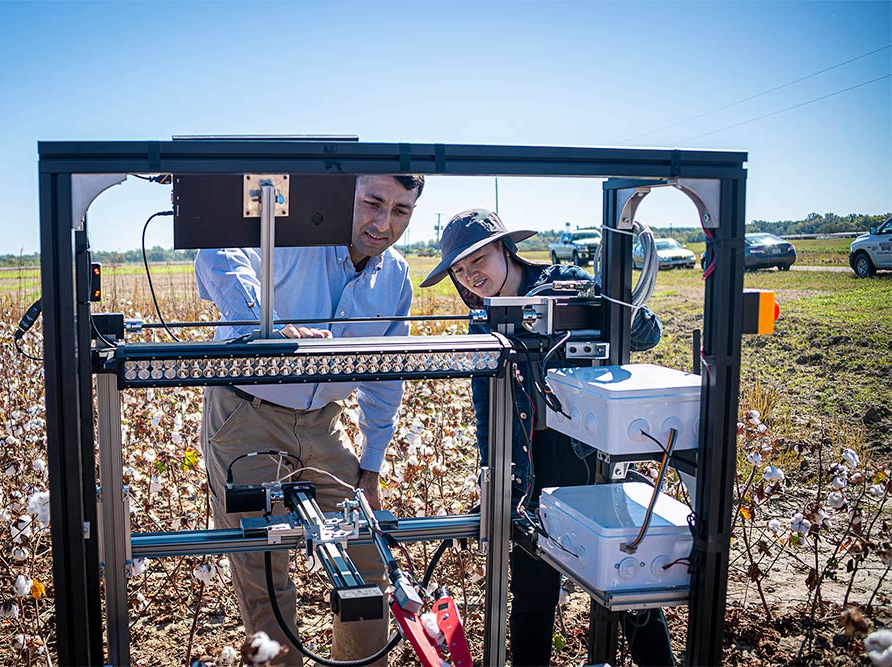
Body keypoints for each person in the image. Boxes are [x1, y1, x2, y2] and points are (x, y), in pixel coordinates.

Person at [420, 209, 675, 667]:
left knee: (626, 581)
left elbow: (647, 334)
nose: (470, 275)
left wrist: (612, 305)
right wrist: (494, 479)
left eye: (477, 259)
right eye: (458, 269)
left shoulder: (566, 285)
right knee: (532, 592)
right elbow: (487, 410)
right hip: (527, 460)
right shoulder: (483, 321)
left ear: (506, 249)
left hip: (591, 456)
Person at [195, 174, 425, 667]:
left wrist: (372, 466)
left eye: (400, 211)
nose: (383, 223)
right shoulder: (293, 236)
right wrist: (265, 328)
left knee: (366, 559)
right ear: (346, 196)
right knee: (263, 571)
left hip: (325, 422)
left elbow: (386, 377)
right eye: (373, 202)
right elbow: (217, 251)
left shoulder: (396, 276)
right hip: (247, 413)